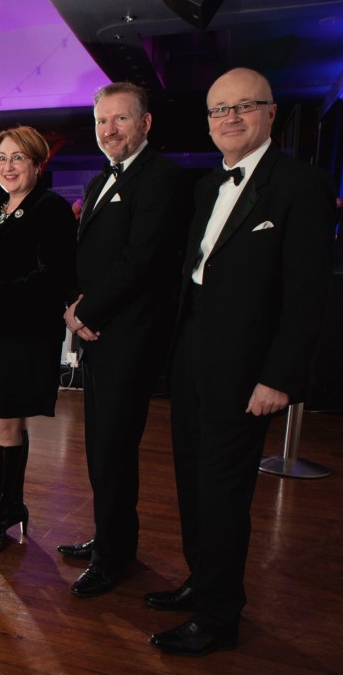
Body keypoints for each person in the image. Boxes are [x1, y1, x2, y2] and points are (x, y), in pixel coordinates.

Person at [148, 68, 333, 657]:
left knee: (224, 495)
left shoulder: (301, 186)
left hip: (248, 373)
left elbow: (307, 296)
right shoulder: (207, 188)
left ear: (271, 113)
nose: (230, 118)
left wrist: (279, 377)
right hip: (192, 360)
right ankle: (202, 581)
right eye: (218, 110)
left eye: (244, 106)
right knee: (191, 484)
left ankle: (219, 615)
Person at [59, 82, 189, 595]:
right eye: (101, 122)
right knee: (100, 448)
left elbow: (143, 261)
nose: (109, 130)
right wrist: (76, 309)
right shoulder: (100, 182)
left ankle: (113, 557)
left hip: (130, 338)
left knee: (113, 448)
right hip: (99, 334)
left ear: (145, 124)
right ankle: (110, 537)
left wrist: (83, 312)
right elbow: (87, 256)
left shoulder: (163, 179)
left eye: (120, 120)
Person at [0, 126, 76, 557]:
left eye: (18, 158)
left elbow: (53, 278)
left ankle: (1, 510)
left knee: (6, 420)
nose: (8, 167)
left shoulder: (52, 210)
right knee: (0, 421)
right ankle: (8, 506)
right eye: (1, 158)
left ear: (37, 163)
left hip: (24, 332)